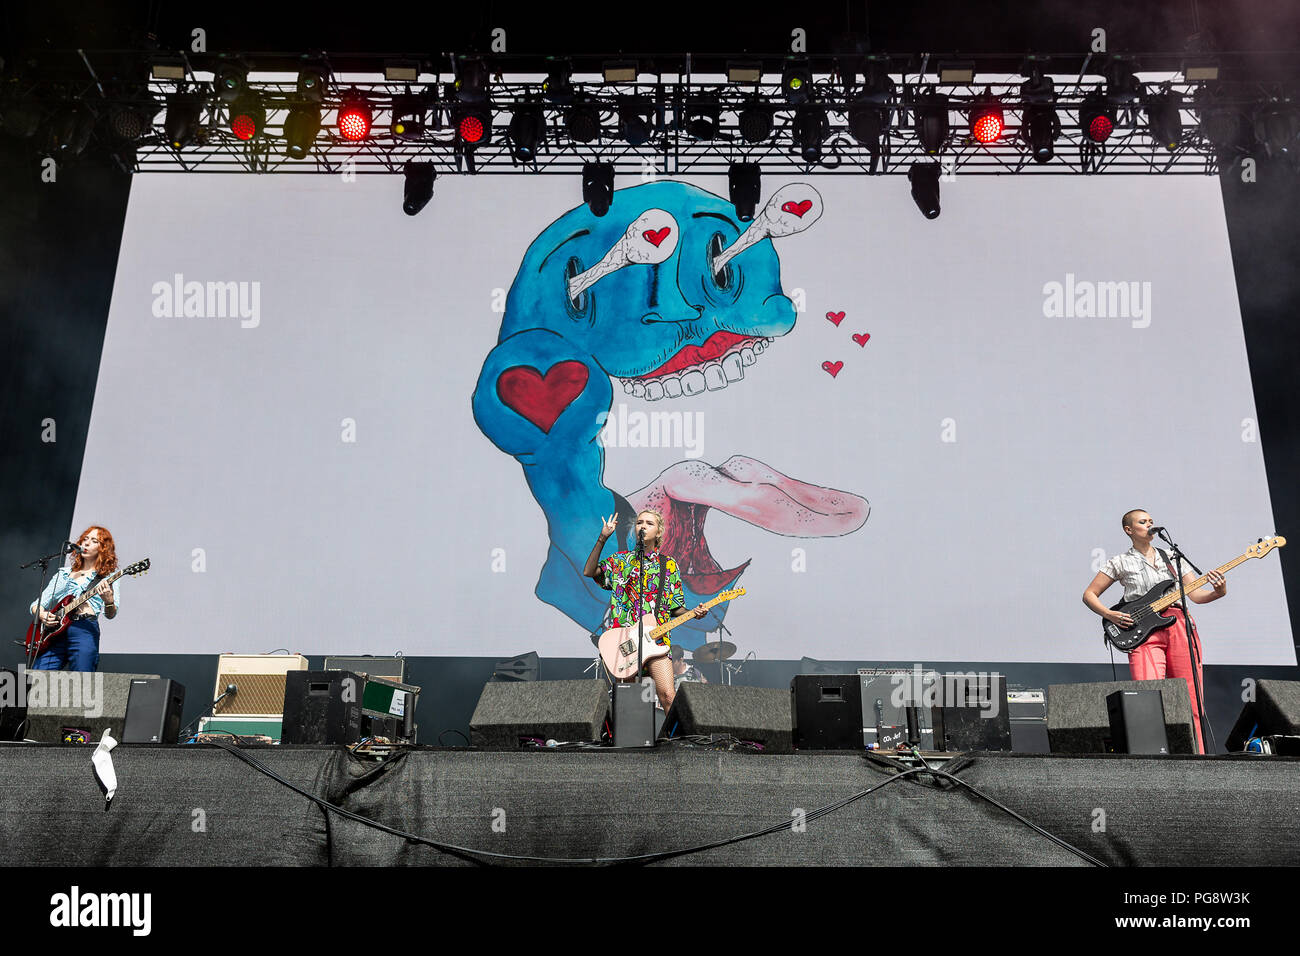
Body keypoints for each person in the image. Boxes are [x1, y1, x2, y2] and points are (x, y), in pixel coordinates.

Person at [1082, 509, 1226, 753]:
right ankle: (1153, 760)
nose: (1149, 524)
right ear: (1129, 530)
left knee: (1192, 699)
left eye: (1151, 521)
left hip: (1179, 624)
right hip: (1144, 632)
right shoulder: (1119, 562)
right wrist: (1109, 614)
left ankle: (1200, 758)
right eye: (1142, 521)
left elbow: (1196, 595)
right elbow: (1089, 594)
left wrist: (1218, 592)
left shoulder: (1171, 556)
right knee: (1147, 698)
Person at [583, 509, 706, 712]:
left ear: (658, 532)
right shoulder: (621, 561)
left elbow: (675, 607)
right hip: (625, 641)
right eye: (640, 522)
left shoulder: (669, 565)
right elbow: (589, 571)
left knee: (668, 695)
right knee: (628, 702)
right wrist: (603, 538)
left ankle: (675, 741)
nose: (643, 526)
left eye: (649, 523)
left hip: (657, 641)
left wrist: (694, 612)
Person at [29, 526, 121, 672]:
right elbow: (36, 604)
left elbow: (111, 614)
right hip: (55, 632)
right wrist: (42, 614)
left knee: (82, 680)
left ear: (103, 548)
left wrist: (108, 600)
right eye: (85, 539)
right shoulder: (64, 575)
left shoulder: (108, 576)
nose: (86, 543)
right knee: (38, 679)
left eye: (94, 540)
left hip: (84, 628)